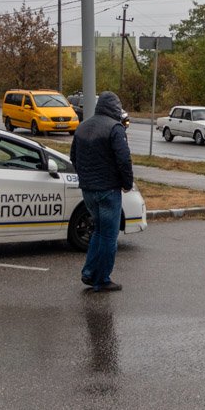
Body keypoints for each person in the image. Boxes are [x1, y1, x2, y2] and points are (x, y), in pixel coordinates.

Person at [70, 92, 134, 292]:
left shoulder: (83, 126)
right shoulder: (115, 128)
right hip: (108, 190)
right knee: (108, 236)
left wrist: (86, 177)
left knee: (98, 231)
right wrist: (127, 183)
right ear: (115, 107)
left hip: (88, 189)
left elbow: (73, 157)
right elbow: (124, 160)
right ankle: (103, 279)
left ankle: (89, 273)